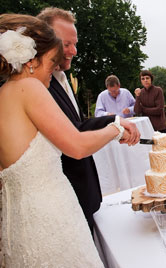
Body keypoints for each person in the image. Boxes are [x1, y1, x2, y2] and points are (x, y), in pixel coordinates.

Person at [0, 14, 138, 266]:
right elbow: (76, 146)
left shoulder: (4, 95)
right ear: (31, 61)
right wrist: (116, 130)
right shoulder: (30, 88)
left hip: (19, 223)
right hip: (51, 218)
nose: (53, 71)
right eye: (52, 62)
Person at [37, 7, 140, 233]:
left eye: (75, 44)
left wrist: (115, 120)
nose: (73, 51)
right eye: (66, 44)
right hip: (63, 198)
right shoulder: (38, 86)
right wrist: (115, 128)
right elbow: (72, 135)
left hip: (85, 192)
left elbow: (80, 123)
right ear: (44, 40)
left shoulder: (62, 77)